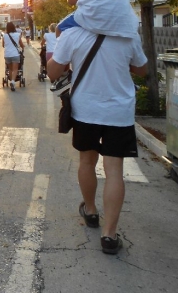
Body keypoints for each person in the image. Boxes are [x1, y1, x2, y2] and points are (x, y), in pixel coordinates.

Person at [47, 25, 147, 255]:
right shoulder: (128, 33)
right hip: (118, 112)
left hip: (86, 111)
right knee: (114, 171)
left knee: (87, 162)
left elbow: (53, 72)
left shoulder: (73, 34)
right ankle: (109, 236)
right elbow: (142, 70)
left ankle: (91, 211)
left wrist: (62, 47)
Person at [2, 21, 24, 91]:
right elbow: (21, 44)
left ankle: (11, 81)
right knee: (15, 69)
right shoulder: (18, 35)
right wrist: (23, 47)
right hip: (15, 54)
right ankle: (13, 82)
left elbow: (3, 45)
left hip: (7, 55)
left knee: (10, 69)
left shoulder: (5, 35)